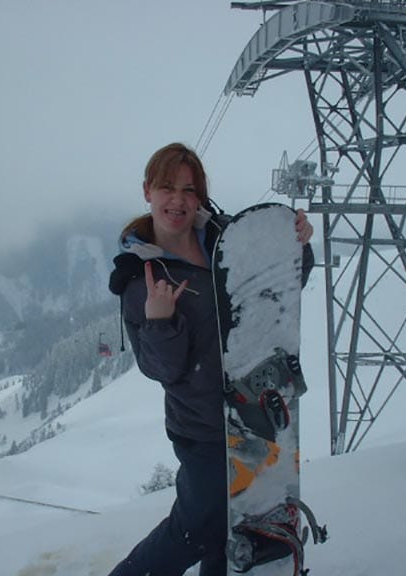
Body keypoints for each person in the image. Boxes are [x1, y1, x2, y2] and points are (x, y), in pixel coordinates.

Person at [107, 142, 314, 576]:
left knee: (237, 528)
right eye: (167, 187)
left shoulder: (227, 238)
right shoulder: (140, 276)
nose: (178, 200)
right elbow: (161, 370)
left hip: (257, 414)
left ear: (200, 196)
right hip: (202, 429)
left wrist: (294, 245)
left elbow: (277, 294)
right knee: (196, 529)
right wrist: (160, 321)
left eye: (189, 189)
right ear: (148, 191)